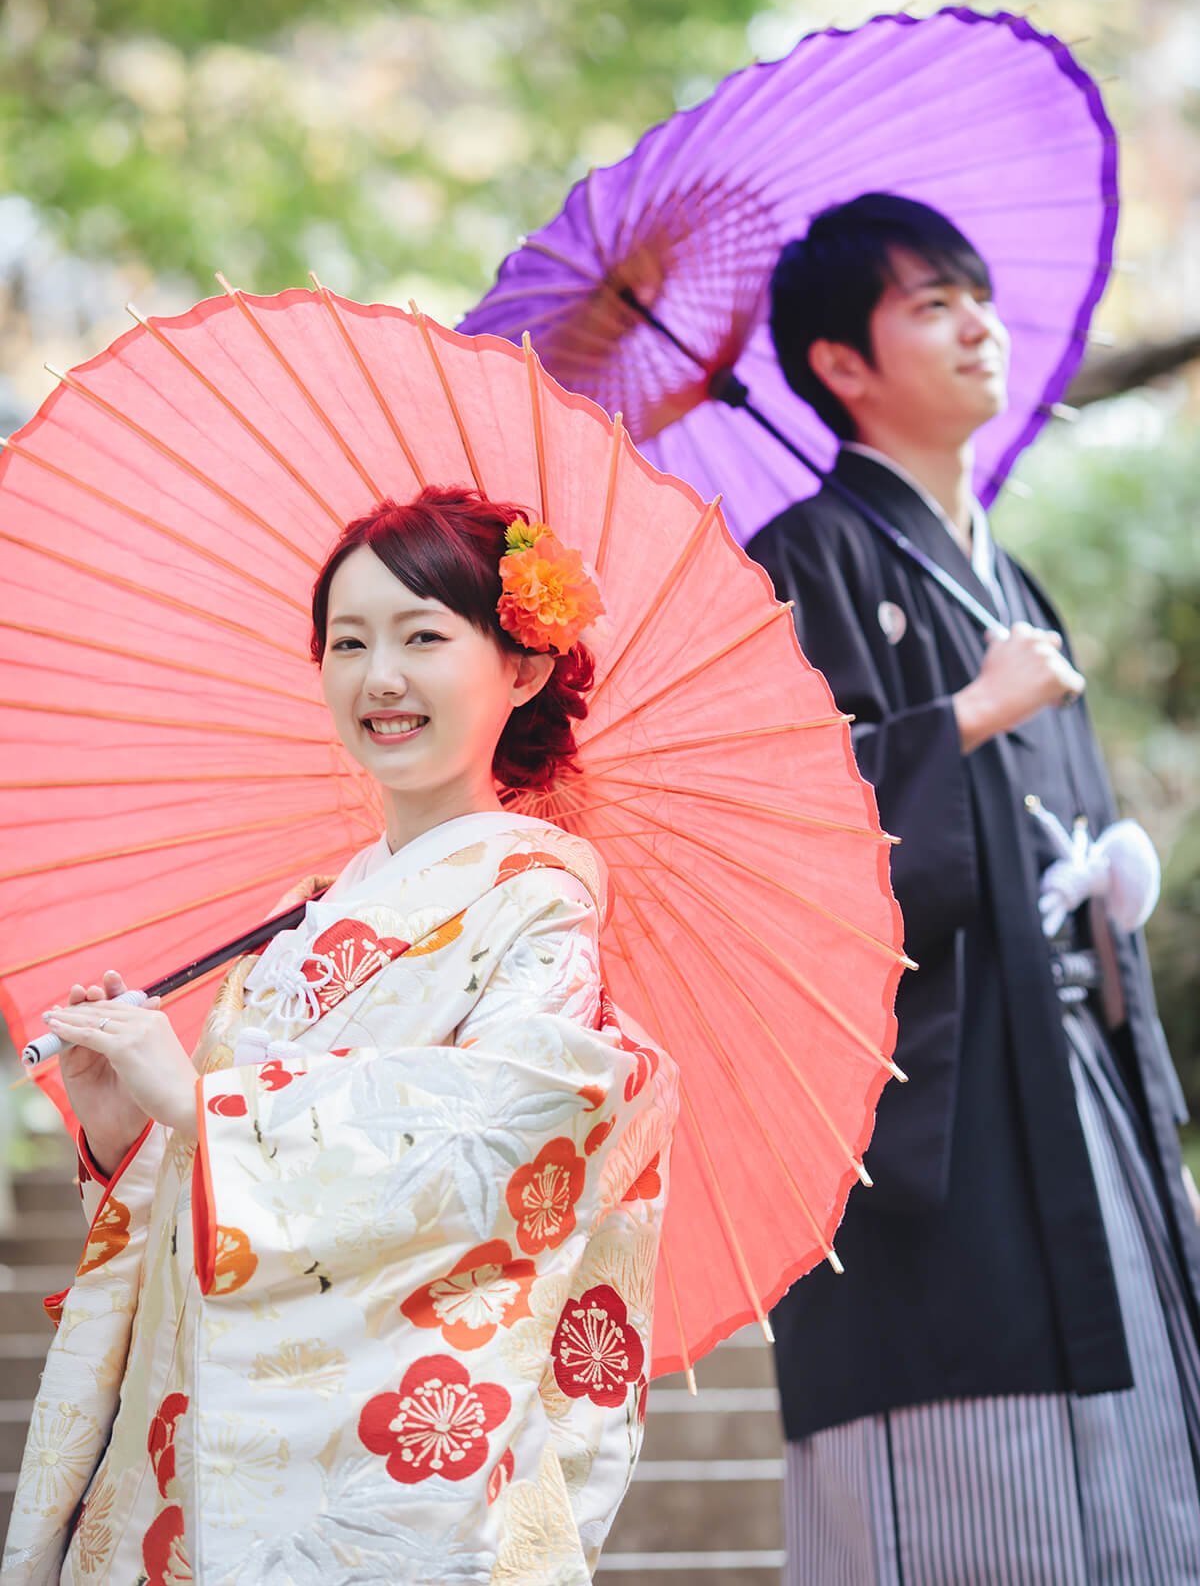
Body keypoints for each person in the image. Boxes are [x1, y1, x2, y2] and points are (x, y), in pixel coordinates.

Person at [3, 487, 676, 1586]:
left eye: (423, 637)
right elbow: (216, 1183)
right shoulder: (308, 919)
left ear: (524, 667)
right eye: (348, 643)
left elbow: (498, 1151)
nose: (381, 678)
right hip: (197, 1443)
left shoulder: (540, 905)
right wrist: (129, 1135)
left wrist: (206, 1108)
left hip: (376, 1466)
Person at [747, 194, 1200, 1583]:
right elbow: (777, 846)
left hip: (1075, 1069)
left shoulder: (1016, 583)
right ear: (841, 364)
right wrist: (956, 723)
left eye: (980, 296)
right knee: (965, 1488)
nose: (978, 324)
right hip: (933, 1116)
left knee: (1141, 1459)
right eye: (933, 303)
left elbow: (1050, 833)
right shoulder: (801, 561)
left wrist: (1106, 874)